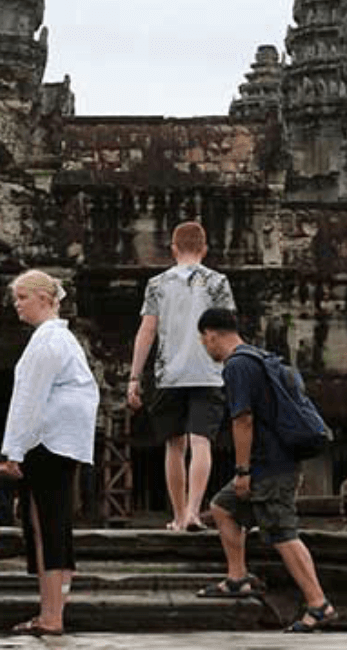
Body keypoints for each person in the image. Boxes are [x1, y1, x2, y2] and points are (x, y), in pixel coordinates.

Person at [196, 307, 336, 632]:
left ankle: (318, 604)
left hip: (270, 465)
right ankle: (237, 577)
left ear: (211, 334)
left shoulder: (238, 365)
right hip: (273, 461)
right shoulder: (257, 357)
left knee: (283, 533)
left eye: (204, 341)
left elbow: (242, 419)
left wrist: (243, 470)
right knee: (222, 506)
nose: (206, 348)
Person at [0, 270, 99, 637]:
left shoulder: (47, 341)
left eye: (22, 297)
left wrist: (12, 452)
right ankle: (53, 608)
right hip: (63, 442)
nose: (17, 305)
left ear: (43, 297)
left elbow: (28, 400)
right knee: (53, 525)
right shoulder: (63, 340)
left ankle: (51, 615)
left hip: (48, 443)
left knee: (46, 528)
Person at [127, 221, 235, 532]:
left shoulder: (157, 284)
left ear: (173, 249)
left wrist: (134, 377)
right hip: (209, 370)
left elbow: (146, 331)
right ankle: (193, 512)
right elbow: (228, 329)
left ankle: (176, 515)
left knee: (174, 446)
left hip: (168, 373)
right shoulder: (217, 282)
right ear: (205, 249)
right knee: (201, 442)